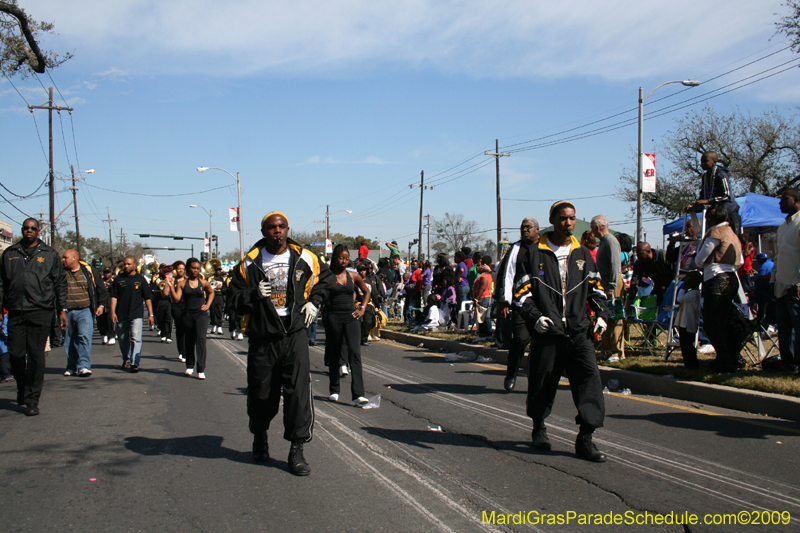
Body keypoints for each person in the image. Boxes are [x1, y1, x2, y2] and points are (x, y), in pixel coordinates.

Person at [229, 211, 332, 476]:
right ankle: (260, 436)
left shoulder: (305, 257)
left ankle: (296, 450)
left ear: (288, 229)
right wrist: (253, 294)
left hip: (294, 333)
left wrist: (314, 301)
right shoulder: (249, 263)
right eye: (272, 228)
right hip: (264, 336)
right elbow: (233, 299)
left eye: (282, 227)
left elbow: (327, 280)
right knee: (262, 392)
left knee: (298, 392)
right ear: (264, 232)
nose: (277, 231)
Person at [516, 201, 609, 462]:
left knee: (590, 383)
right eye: (563, 219)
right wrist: (536, 318)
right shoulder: (534, 253)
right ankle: (539, 428)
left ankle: (586, 438)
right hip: (548, 333)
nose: (568, 224)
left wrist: (601, 314)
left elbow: (596, 288)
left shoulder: (582, 253)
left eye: (572, 219)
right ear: (552, 220)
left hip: (579, 332)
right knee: (542, 382)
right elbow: (521, 294)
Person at [0, 218, 67, 416]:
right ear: (22, 230)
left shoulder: (49, 254)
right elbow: (1, 283)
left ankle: (32, 399)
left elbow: (60, 283)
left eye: (33, 228)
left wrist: (62, 309)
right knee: (16, 355)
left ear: (38, 231)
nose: (29, 231)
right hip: (15, 311)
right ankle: (23, 388)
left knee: (36, 356)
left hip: (41, 310)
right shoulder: (10, 253)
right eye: (26, 228)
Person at [695, 204, 743, 372]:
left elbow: (701, 257)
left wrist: (700, 264)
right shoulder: (732, 233)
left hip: (716, 278)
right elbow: (741, 261)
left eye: (708, 217)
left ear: (712, 219)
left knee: (712, 323)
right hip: (731, 276)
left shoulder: (715, 232)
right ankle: (729, 357)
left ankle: (725, 359)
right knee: (723, 321)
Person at [493, 217, 539, 391]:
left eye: (528, 227)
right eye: (522, 227)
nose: (525, 230)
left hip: (542, 304)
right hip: (521, 303)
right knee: (519, 339)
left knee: (541, 344)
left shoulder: (544, 248)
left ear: (537, 230)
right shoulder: (515, 249)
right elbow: (506, 274)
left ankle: (535, 378)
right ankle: (511, 373)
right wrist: (503, 301)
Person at [324, 244, 371, 404]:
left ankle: (358, 394)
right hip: (333, 318)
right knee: (335, 353)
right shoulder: (327, 276)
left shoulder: (353, 275)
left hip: (351, 317)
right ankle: (334, 389)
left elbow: (367, 291)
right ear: (335, 258)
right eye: (341, 258)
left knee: (355, 354)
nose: (344, 261)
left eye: (346, 258)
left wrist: (362, 309)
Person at [61, 249, 108, 377]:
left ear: (74, 258)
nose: (63, 260)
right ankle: (71, 366)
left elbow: (101, 288)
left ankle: (83, 366)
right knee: (69, 340)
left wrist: (101, 305)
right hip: (67, 311)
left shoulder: (88, 270)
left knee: (84, 337)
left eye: (65, 258)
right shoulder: (60, 271)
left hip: (85, 310)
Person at [167, 258, 215, 379]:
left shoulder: (203, 282)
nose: (195, 270)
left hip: (201, 315)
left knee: (201, 340)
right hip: (187, 315)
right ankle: (189, 365)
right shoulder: (182, 284)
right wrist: (171, 287)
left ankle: (201, 369)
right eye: (193, 268)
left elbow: (211, 292)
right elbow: (177, 299)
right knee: (189, 340)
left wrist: (208, 305)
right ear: (189, 269)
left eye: (198, 268)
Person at [110, 256, 154, 373]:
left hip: (136, 313)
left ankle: (135, 362)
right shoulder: (119, 279)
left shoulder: (140, 279)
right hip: (121, 314)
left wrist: (151, 314)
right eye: (125, 264)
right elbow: (113, 296)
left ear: (135, 265)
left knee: (136, 337)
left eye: (129, 264)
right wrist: (113, 312)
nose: (126, 266)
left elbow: (148, 298)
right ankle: (126, 358)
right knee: (123, 338)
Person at [773, 188, 800, 373]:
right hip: (781, 285)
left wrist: (798, 283)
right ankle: (788, 364)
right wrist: (773, 279)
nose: (780, 203)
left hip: (795, 285)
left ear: (797, 200)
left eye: (784, 199)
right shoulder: (782, 227)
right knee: (784, 329)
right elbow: (778, 255)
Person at [591, 216, 623, 362]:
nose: (592, 232)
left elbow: (615, 264)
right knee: (605, 315)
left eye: (592, 228)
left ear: (598, 227)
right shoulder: (603, 242)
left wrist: (612, 286)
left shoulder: (611, 240)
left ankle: (617, 351)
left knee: (615, 317)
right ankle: (606, 349)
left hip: (612, 283)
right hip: (603, 283)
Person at [688, 151, 741, 235]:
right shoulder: (705, 176)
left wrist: (709, 201)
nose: (702, 164)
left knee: (729, 239)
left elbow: (726, 196)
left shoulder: (721, 174)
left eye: (705, 161)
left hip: (728, 212)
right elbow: (703, 195)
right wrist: (694, 205)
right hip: (715, 214)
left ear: (714, 162)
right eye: (701, 161)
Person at [676, 271, 703, 369]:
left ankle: (692, 364)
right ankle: (688, 363)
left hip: (688, 323)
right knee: (684, 344)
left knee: (688, 345)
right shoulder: (692, 293)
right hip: (684, 323)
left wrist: (683, 288)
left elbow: (680, 299)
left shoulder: (694, 294)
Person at [165, 261, 187, 361]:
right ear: (175, 270)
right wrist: (168, 283)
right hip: (176, 307)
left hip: (187, 307)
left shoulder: (188, 280)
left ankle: (187, 351)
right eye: (179, 268)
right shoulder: (173, 280)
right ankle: (181, 352)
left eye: (182, 268)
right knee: (180, 330)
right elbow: (165, 294)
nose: (181, 270)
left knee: (188, 330)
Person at [472, 255, 493, 341]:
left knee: (482, 317)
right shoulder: (486, 275)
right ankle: (487, 334)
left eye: (480, 265)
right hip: (485, 298)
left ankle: (484, 335)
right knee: (484, 316)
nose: (478, 267)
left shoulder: (485, 276)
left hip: (483, 298)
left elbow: (482, 288)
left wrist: (477, 298)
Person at [98, 268, 116, 345]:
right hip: (101, 303)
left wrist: (110, 286)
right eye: (105, 272)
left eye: (108, 273)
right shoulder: (100, 281)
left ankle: (111, 336)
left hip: (109, 303)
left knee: (110, 320)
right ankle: (103, 334)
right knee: (101, 320)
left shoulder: (113, 282)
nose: (107, 274)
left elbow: (115, 292)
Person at [208, 265, 226, 334]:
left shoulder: (222, 279)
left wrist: (221, 288)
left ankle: (219, 326)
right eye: (217, 270)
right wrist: (215, 286)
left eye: (220, 270)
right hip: (213, 296)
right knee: (212, 311)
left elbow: (224, 287)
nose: (219, 272)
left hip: (220, 296)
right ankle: (213, 325)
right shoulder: (211, 278)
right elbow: (209, 285)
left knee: (219, 311)